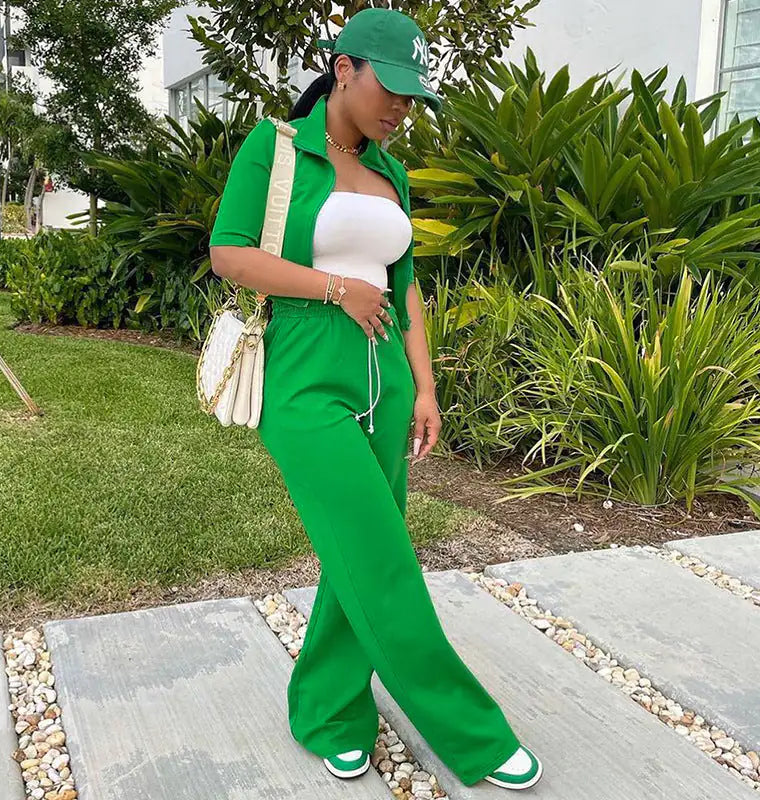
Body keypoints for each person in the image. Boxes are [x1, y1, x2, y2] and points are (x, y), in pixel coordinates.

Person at [208, 7, 543, 791]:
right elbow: (229, 254)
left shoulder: (392, 172)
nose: (401, 108)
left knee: (356, 555)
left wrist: (425, 386)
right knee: (382, 559)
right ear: (343, 68)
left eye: (412, 96)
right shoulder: (276, 148)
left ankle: (329, 712)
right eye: (390, 88)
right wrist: (336, 288)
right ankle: (472, 733)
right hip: (304, 375)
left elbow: (407, 285)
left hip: (386, 380)